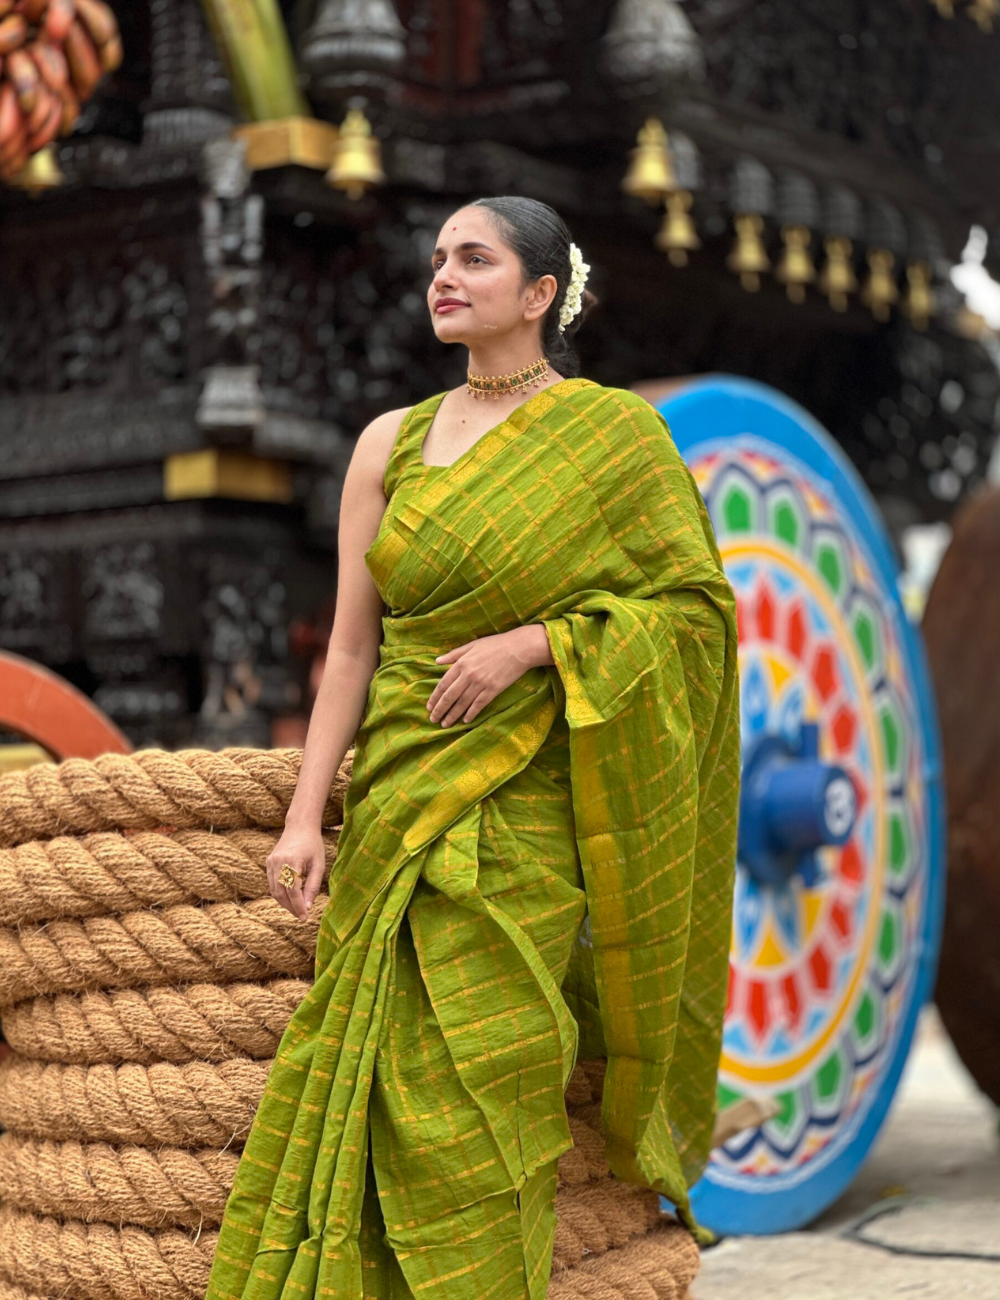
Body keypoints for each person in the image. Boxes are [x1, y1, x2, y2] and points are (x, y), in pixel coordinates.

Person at [205, 196, 740, 1300]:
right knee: (356, 1077)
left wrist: (536, 644)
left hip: (524, 806)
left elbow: (693, 616)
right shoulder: (387, 443)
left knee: (490, 1074)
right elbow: (352, 647)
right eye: (438, 257)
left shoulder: (612, 437)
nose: (443, 275)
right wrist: (307, 816)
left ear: (541, 294)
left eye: (474, 259)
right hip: (399, 795)